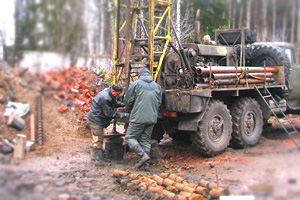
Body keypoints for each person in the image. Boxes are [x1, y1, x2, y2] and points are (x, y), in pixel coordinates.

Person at [124, 67, 162, 168]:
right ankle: (146, 165)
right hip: (152, 118)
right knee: (145, 140)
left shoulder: (136, 84)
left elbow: (128, 99)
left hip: (138, 118)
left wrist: (129, 106)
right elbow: (159, 102)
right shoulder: (157, 86)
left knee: (130, 137)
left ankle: (142, 156)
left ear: (139, 74)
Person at [87, 84, 124, 164]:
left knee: (99, 138)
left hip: (98, 118)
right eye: (117, 94)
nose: (117, 96)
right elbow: (108, 113)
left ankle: (96, 157)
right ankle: (98, 160)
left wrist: (120, 104)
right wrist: (119, 115)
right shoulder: (104, 98)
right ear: (113, 91)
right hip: (96, 119)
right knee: (98, 139)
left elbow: (113, 101)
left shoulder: (109, 92)